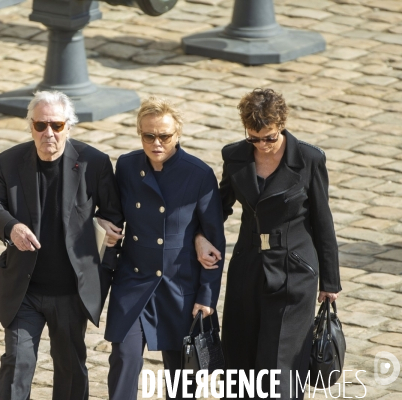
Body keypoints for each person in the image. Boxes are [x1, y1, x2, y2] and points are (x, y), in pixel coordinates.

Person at [196, 88, 342, 398]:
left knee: (280, 365)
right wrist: (199, 235)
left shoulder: (308, 159)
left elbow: (322, 220)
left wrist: (330, 281)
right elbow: (219, 206)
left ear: (282, 125)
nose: (262, 146)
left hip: (294, 270)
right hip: (247, 266)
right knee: (240, 354)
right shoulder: (234, 156)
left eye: (270, 138)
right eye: (254, 139)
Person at [0, 90, 123, 400]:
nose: (49, 133)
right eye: (40, 125)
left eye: (56, 126)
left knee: (71, 368)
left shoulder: (94, 163)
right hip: (24, 289)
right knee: (16, 362)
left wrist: (102, 227)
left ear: (69, 126)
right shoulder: (9, 161)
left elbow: (113, 214)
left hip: (71, 291)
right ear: (30, 126)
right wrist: (12, 226)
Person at [101, 97, 226, 400]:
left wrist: (207, 296)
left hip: (179, 287)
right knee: (124, 359)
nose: (157, 143)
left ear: (177, 134)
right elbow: (115, 214)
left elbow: (215, 241)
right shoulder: (128, 166)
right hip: (133, 282)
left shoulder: (198, 174)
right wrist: (103, 226)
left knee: (181, 376)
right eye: (149, 136)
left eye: (165, 136)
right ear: (139, 134)